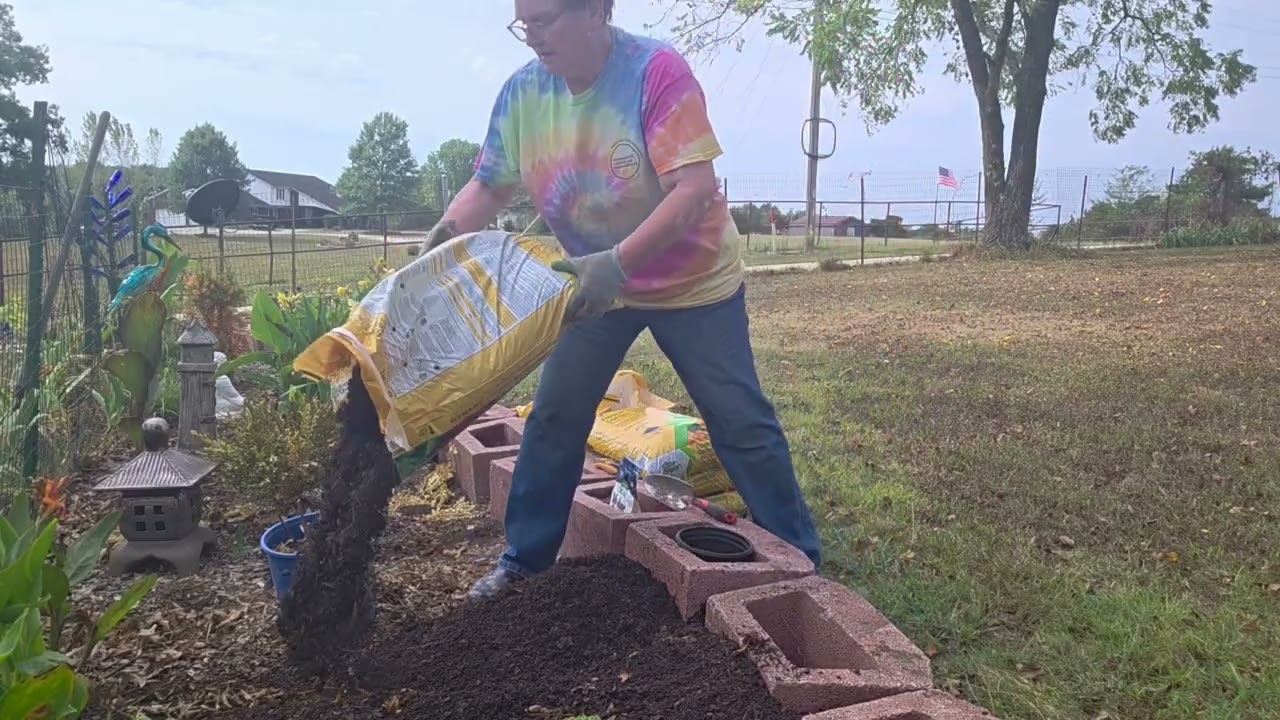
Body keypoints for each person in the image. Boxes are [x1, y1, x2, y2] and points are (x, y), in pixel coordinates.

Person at [415, 0, 823, 602]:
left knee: (739, 423)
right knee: (555, 416)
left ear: (596, 10)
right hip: (595, 288)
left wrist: (619, 262)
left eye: (545, 20)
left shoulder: (655, 73)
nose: (532, 37)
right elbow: (489, 184)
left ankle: (801, 563)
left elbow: (695, 187)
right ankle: (525, 563)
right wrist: (441, 243)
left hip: (693, 285)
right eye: (522, 23)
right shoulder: (523, 95)